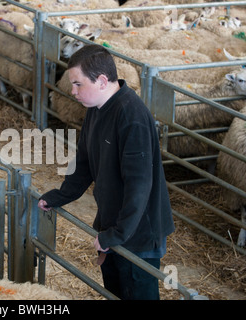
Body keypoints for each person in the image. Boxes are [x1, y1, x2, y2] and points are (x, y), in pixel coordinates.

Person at [38, 44, 175, 300]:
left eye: (78, 84)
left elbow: (139, 184)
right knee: (114, 292)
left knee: (136, 293)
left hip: (139, 234)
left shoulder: (131, 116)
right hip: (114, 225)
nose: (72, 91)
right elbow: (85, 160)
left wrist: (118, 234)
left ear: (102, 80)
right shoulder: (96, 109)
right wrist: (60, 196)